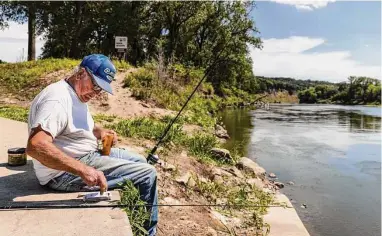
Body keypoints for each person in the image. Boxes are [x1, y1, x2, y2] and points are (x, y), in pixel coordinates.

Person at [26, 54, 158, 235]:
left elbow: (79, 125)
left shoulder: (76, 93)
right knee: (147, 174)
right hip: (61, 174)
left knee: (141, 161)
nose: (95, 93)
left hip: (90, 155)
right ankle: (146, 233)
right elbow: (36, 145)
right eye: (94, 85)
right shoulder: (57, 99)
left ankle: (138, 215)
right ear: (81, 73)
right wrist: (83, 169)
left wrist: (100, 132)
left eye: (100, 89)